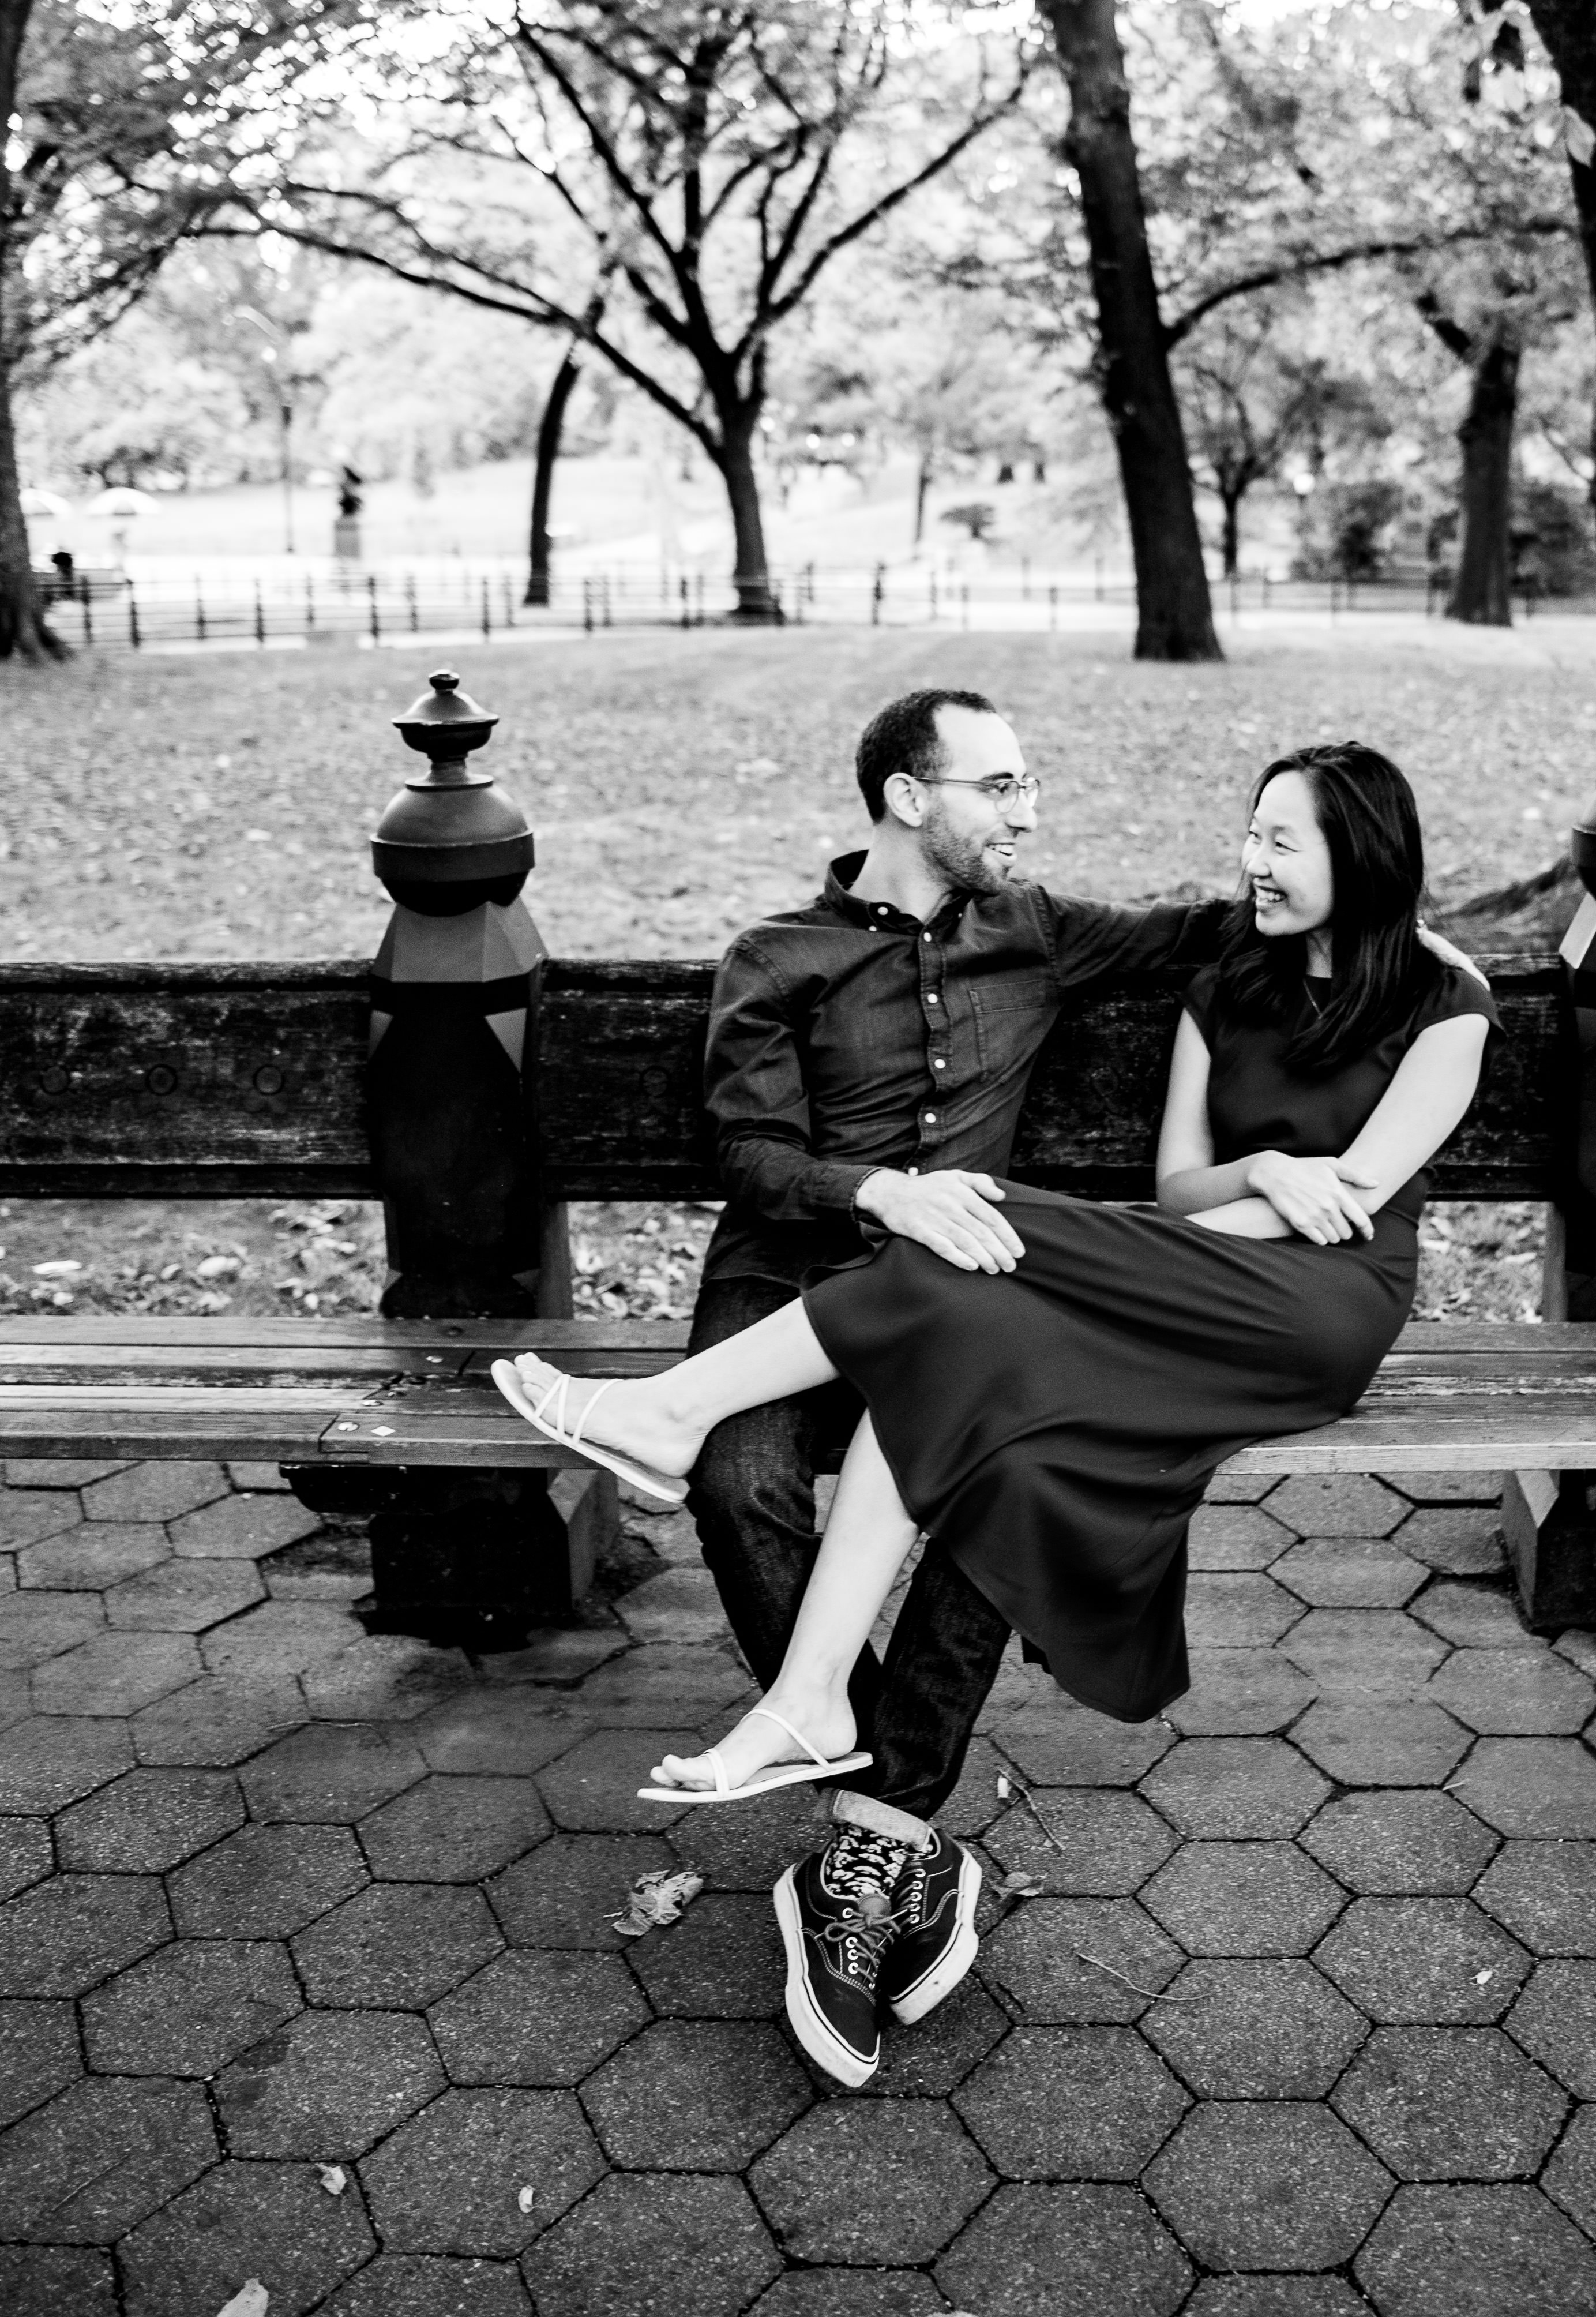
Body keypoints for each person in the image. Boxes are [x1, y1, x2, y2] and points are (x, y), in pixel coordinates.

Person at [499, 737, 1493, 2085]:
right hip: (983, 1267)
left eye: (1282, 841)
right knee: (922, 1392)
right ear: (910, 797)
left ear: (1356, 856)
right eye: (1247, 834)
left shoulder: (1434, 997)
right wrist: (1255, 1166)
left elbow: (1348, 1201)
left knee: (977, 1251)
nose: (1250, 862)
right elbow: (1178, 1183)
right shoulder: (803, 957)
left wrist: (1227, 1204)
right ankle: (827, 1730)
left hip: (1291, 1306)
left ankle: (694, 1474)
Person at [569, 687, 1226, 2085]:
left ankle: (872, 1832)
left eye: (1028, 782)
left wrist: (1367, 903)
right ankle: (896, 1818)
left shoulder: (1036, 927)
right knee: (740, 1480)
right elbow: (748, 1157)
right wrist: (884, 1191)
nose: (1027, 812)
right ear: (908, 797)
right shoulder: (776, 955)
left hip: (958, 1310)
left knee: (1007, 1486)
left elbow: (1213, 933)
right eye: (998, 785)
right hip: (785, 1287)